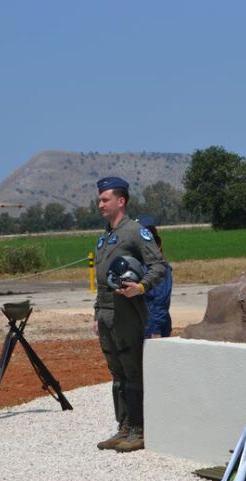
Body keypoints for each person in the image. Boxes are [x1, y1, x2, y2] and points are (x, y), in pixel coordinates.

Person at [93, 177, 167, 452]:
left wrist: (141, 287)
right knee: (117, 372)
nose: (100, 204)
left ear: (121, 201)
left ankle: (139, 429)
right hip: (107, 313)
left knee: (132, 370)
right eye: (100, 200)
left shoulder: (135, 231)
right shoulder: (105, 237)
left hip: (127, 313)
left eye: (105, 199)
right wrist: (97, 314)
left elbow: (159, 266)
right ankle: (123, 426)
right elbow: (102, 280)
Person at [135, 215, 173, 339]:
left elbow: (160, 301)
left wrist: (155, 329)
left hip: (152, 329)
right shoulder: (138, 260)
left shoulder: (158, 266)